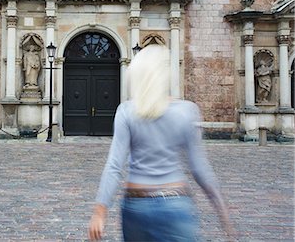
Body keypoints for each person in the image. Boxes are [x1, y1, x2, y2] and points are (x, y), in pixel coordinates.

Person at [88, 45, 233, 241]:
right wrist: (220, 207)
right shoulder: (186, 111)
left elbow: (114, 166)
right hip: (175, 203)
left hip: (136, 205)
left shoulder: (126, 111)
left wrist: (100, 210)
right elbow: (199, 169)